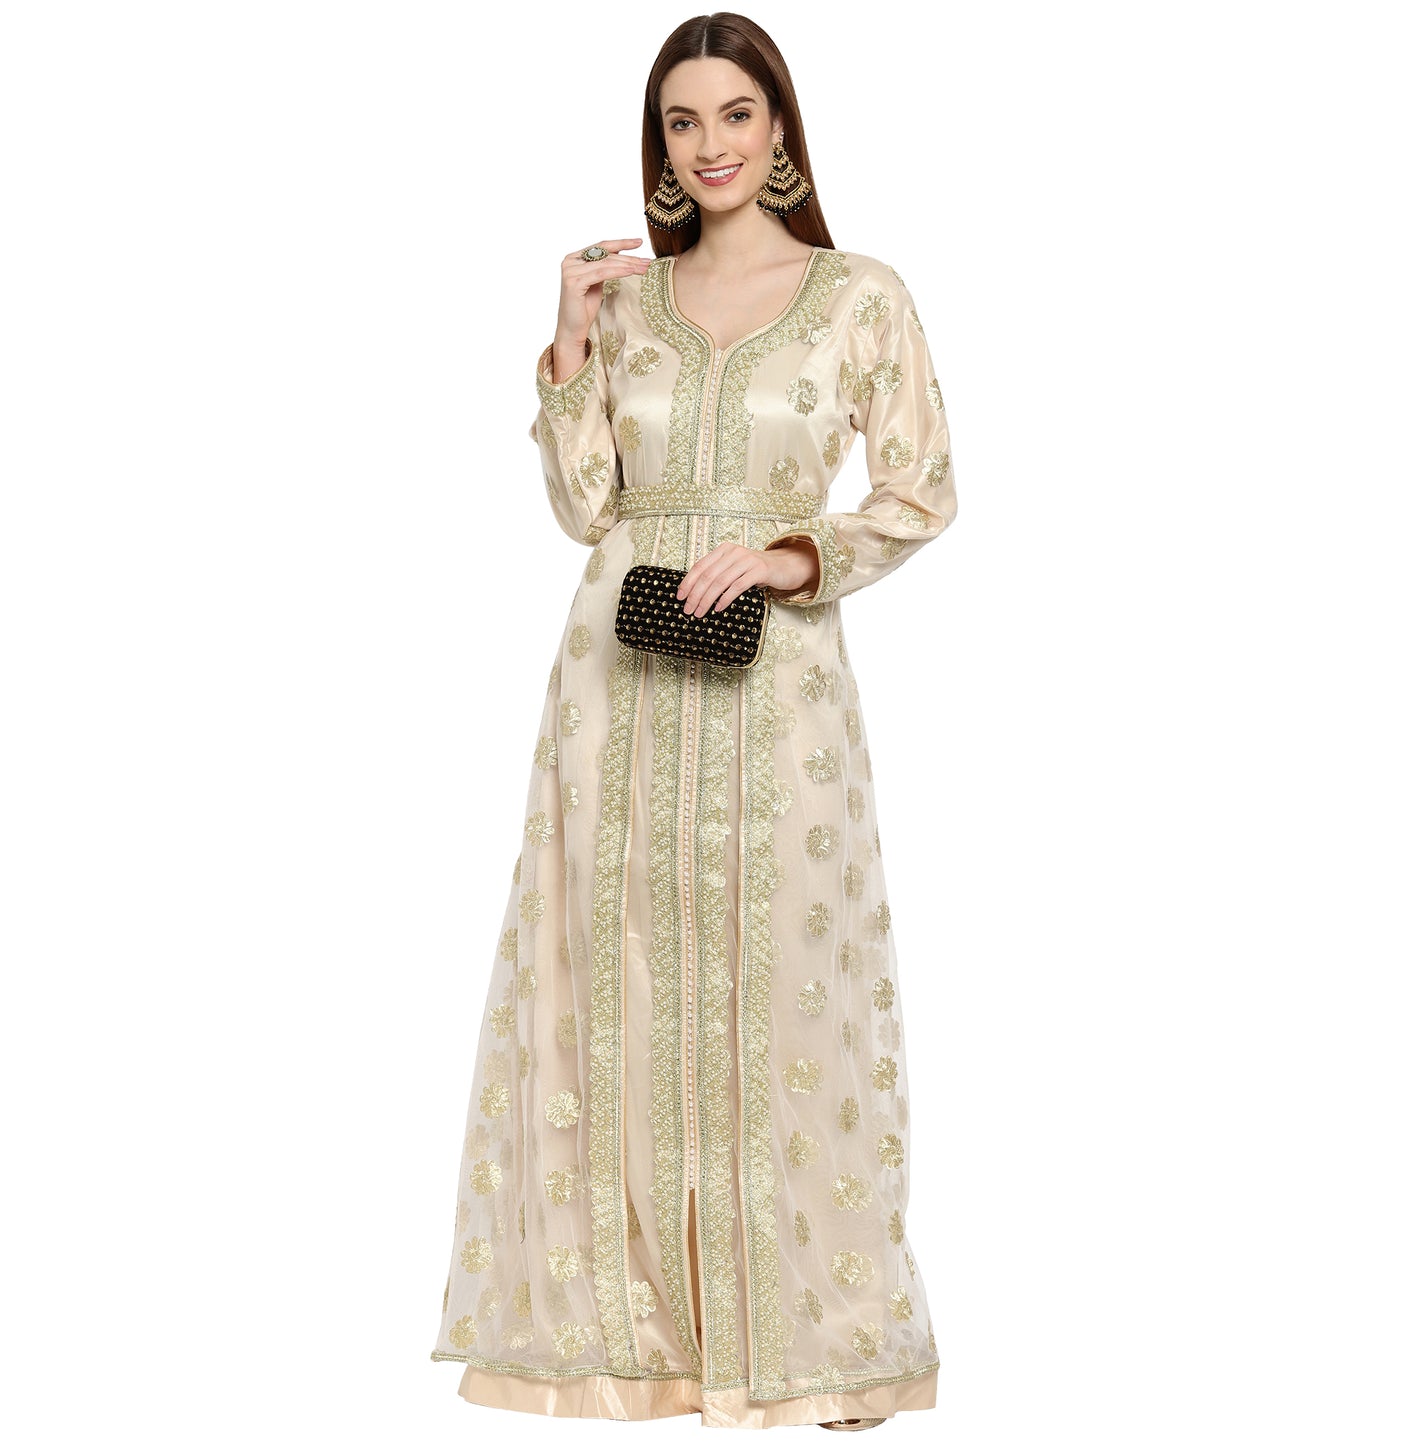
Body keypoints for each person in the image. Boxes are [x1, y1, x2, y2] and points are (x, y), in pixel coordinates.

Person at [430, 11, 956, 1431]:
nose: (710, 144)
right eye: (682, 121)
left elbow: (920, 489)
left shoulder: (858, 296)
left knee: (786, 988)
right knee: (611, 987)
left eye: (734, 113)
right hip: (616, 686)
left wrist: (792, 555)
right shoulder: (630, 302)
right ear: (658, 146)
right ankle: (634, 1345)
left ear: (779, 126)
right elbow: (584, 509)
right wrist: (566, 346)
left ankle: (806, 1346)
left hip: (780, 690)